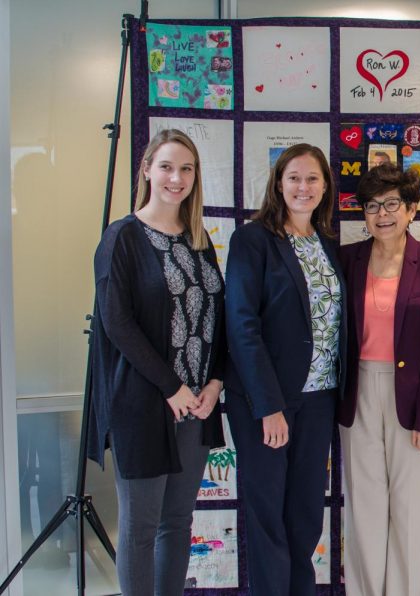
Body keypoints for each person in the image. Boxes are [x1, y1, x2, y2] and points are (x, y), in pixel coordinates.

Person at [88, 128, 226, 596]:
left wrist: (215, 383)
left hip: (196, 408)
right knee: (141, 526)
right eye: (167, 166)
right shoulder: (122, 237)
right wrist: (172, 387)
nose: (177, 177)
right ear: (146, 169)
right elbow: (117, 323)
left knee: (177, 521)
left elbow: (218, 318)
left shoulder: (199, 241)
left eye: (186, 168)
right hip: (145, 406)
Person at [224, 143, 347, 596]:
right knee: (267, 515)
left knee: (305, 515)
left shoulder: (328, 244)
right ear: (278, 183)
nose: (303, 187)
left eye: (312, 178)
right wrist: (268, 406)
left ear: (325, 187)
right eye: (294, 177)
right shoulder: (252, 239)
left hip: (319, 400)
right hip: (266, 402)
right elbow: (241, 324)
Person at [338, 164, 420, 596]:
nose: (381, 214)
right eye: (371, 206)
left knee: (411, 511)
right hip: (359, 394)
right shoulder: (348, 259)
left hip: (414, 398)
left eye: (391, 204)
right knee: (365, 508)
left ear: (411, 209)